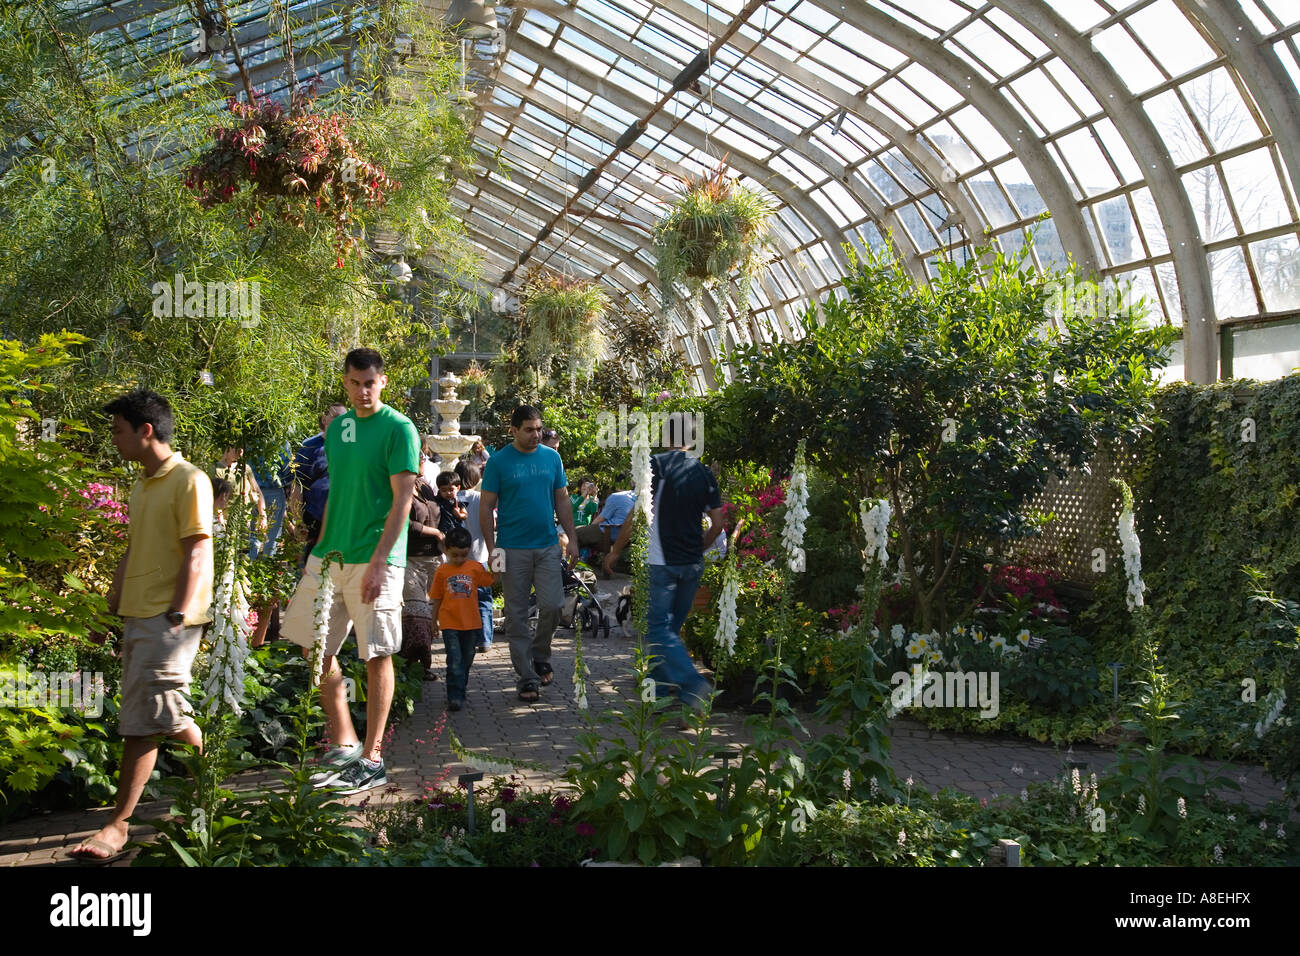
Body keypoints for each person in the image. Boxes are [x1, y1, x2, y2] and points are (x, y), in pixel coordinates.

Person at [69, 390, 214, 863]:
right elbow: (135, 548)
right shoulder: (142, 484)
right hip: (141, 614)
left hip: (170, 619)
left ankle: (118, 825)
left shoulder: (189, 480)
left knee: (143, 726)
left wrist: (177, 613)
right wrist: (112, 602)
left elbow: (197, 548)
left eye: (117, 430)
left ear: (144, 430)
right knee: (164, 718)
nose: (113, 439)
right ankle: (209, 795)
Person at [279, 348, 420, 796]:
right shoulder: (337, 430)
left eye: (371, 383)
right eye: (356, 382)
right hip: (328, 555)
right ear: (345, 382)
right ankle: (344, 741)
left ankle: (372, 758)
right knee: (311, 645)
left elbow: (403, 501)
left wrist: (381, 560)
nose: (363, 391)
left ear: (383, 382)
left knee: (377, 653)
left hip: (375, 557)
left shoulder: (399, 429)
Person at [605, 422, 724, 711]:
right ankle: (658, 694)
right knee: (670, 628)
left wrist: (615, 550)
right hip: (692, 565)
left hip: (661, 562)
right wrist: (700, 548)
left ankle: (693, 685)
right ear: (692, 439)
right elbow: (719, 523)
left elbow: (636, 514)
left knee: (657, 629)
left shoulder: (655, 465)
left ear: (665, 437)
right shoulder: (703, 472)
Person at [480, 405, 579, 702]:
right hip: (511, 548)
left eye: (539, 429)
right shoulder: (499, 462)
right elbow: (485, 507)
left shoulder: (552, 458)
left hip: (547, 545)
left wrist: (572, 538)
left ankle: (540, 652)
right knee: (517, 616)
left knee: (553, 605)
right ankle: (527, 678)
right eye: (529, 430)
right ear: (513, 430)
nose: (536, 435)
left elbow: (562, 500)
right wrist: (491, 549)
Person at [429, 527, 496, 711]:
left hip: (472, 623)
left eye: (463, 555)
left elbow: (491, 580)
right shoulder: (442, 571)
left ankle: (461, 687)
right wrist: (433, 622)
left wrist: (498, 562)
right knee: (454, 660)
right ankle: (455, 695)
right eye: (454, 555)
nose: (459, 559)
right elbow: (436, 598)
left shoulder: (475, 568)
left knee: (467, 658)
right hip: (450, 623)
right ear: (446, 550)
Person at [281, 403, 345, 564]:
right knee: (312, 570)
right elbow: (297, 486)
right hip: (315, 520)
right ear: (325, 419)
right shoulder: (309, 447)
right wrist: (298, 520)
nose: (342, 422)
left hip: (344, 521)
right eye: (337, 417)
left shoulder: (352, 445)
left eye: (345, 418)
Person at [402, 474, 444, 680]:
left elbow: (438, 511)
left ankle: (421, 663)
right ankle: (413, 664)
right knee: (417, 612)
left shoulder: (425, 486)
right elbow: (405, 523)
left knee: (432, 613)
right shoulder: (399, 485)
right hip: (410, 558)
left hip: (434, 559)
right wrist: (435, 533)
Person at [454, 460, 495, 653]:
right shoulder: (481, 498)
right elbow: (493, 524)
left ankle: (463, 640)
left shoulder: (450, 498)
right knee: (484, 601)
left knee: (460, 600)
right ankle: (485, 639)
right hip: (480, 558)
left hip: (457, 561)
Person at [216, 444, 267, 555]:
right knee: (227, 553)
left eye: (242, 449)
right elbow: (214, 496)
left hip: (244, 520)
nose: (240, 452)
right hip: (226, 521)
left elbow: (257, 491)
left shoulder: (245, 468)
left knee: (243, 554)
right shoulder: (218, 469)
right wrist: (219, 517)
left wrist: (263, 516)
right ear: (228, 449)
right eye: (237, 449)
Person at [577, 483, 636, 575]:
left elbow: (601, 518)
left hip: (609, 533)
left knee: (575, 534)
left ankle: (571, 568)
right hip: (631, 537)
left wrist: (589, 528)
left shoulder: (616, 497)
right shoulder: (646, 498)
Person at [435, 470, 466, 537]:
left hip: (456, 530)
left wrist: (459, 515)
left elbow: (465, 515)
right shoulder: (437, 499)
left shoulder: (459, 499)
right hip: (441, 532)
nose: (448, 493)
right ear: (439, 489)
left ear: (458, 488)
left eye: (451, 490)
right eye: (444, 490)